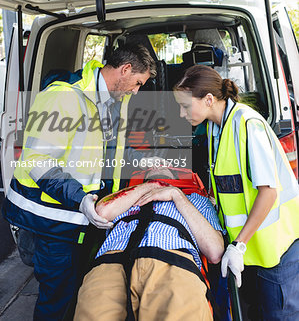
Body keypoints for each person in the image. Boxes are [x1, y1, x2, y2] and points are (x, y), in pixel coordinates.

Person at [2, 44, 163, 321]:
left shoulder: (114, 100)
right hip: (51, 220)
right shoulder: (64, 97)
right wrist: (81, 198)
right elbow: (38, 161)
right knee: (58, 301)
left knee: (75, 292)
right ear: (125, 70)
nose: (136, 91)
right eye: (138, 83)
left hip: (79, 217)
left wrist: (143, 162)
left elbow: (109, 151)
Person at [174, 64, 299, 320]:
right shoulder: (213, 128)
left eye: (186, 106)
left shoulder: (247, 125)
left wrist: (239, 245)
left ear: (209, 100)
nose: (181, 113)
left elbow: (268, 192)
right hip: (249, 246)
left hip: (276, 246)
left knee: (279, 315)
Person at [74, 167, 225, 321]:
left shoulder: (196, 200)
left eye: (165, 164)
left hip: (174, 263)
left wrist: (175, 194)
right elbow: (101, 213)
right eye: (152, 165)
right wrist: (152, 185)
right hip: (111, 263)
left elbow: (215, 251)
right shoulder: (128, 196)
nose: (158, 164)